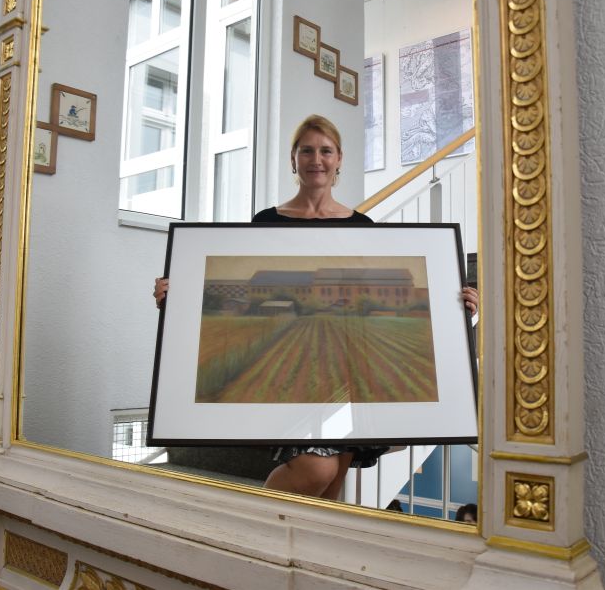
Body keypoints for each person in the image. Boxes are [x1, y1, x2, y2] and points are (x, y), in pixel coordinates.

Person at [154, 114, 478, 500]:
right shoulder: (267, 222)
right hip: (301, 378)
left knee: (331, 485)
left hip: (350, 361)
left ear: (339, 159)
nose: (316, 159)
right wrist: (178, 298)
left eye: (326, 151)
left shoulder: (362, 224)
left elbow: (366, 289)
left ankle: (301, 542)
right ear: (293, 159)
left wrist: (455, 310)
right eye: (306, 151)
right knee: (315, 469)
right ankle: (253, 524)